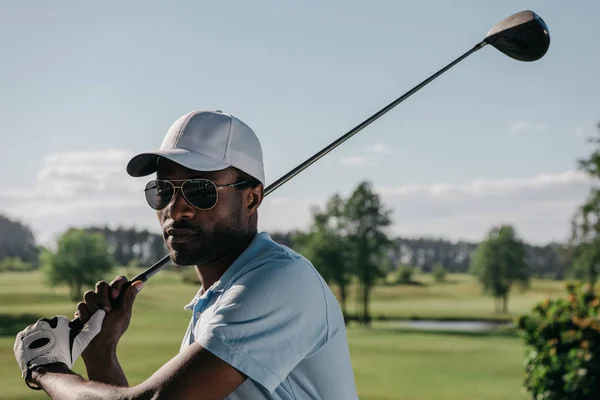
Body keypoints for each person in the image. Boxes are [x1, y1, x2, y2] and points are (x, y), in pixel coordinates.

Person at [14, 110, 359, 399]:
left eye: (200, 190)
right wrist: (102, 353)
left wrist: (45, 367)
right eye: (163, 190)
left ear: (252, 199)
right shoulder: (215, 301)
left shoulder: (280, 282)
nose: (176, 210)